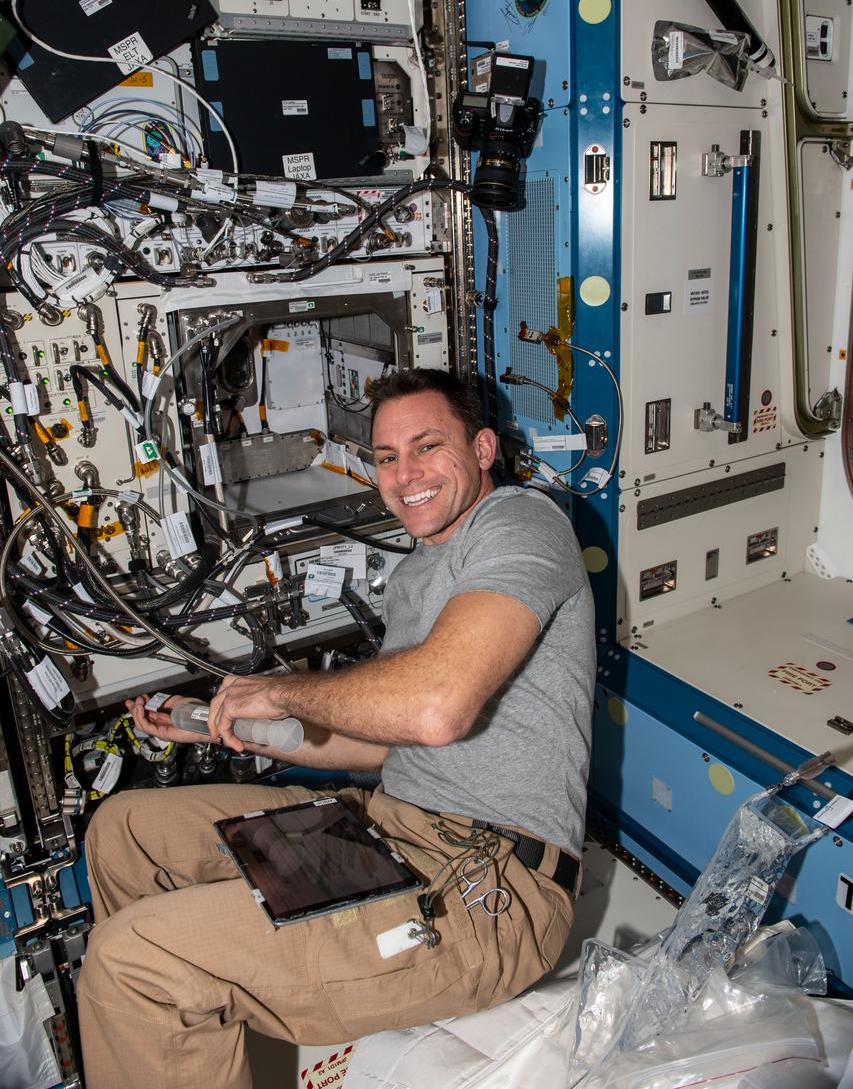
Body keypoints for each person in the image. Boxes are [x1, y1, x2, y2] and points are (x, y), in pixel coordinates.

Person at [77, 368, 596, 1089]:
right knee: (125, 829)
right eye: (385, 457)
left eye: (426, 447)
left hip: (491, 891)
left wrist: (283, 692)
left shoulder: (521, 524)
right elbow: (383, 741)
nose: (403, 474)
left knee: (134, 962)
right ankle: (165, 1047)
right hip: (387, 825)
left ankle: (160, 995)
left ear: (482, 449)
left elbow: (434, 709)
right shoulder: (423, 569)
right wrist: (236, 725)